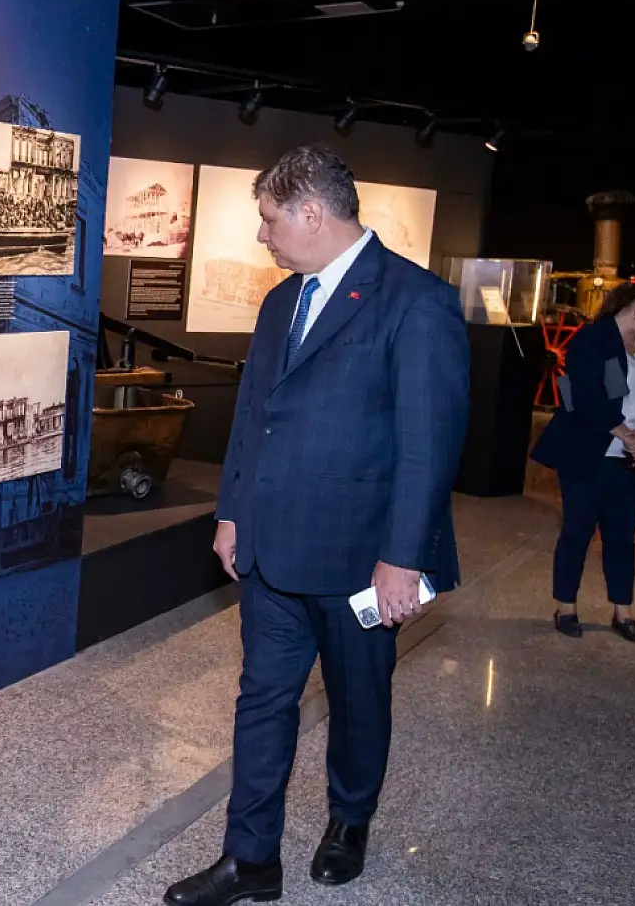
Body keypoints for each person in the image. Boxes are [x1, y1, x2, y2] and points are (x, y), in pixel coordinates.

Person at [165, 146, 470, 906]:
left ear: (311, 212)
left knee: (358, 702)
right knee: (261, 700)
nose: (263, 236)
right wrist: (231, 510)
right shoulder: (281, 301)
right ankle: (249, 859)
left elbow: (428, 448)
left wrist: (401, 560)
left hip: (358, 560)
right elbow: (253, 420)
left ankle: (349, 822)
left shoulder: (414, 302)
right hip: (270, 552)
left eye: (269, 220)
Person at [530, 277, 635, 644]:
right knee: (577, 531)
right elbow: (587, 398)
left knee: (622, 536)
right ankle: (566, 606)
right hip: (589, 452)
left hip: (631, 459)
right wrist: (629, 438)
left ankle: (622, 612)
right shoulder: (592, 340)